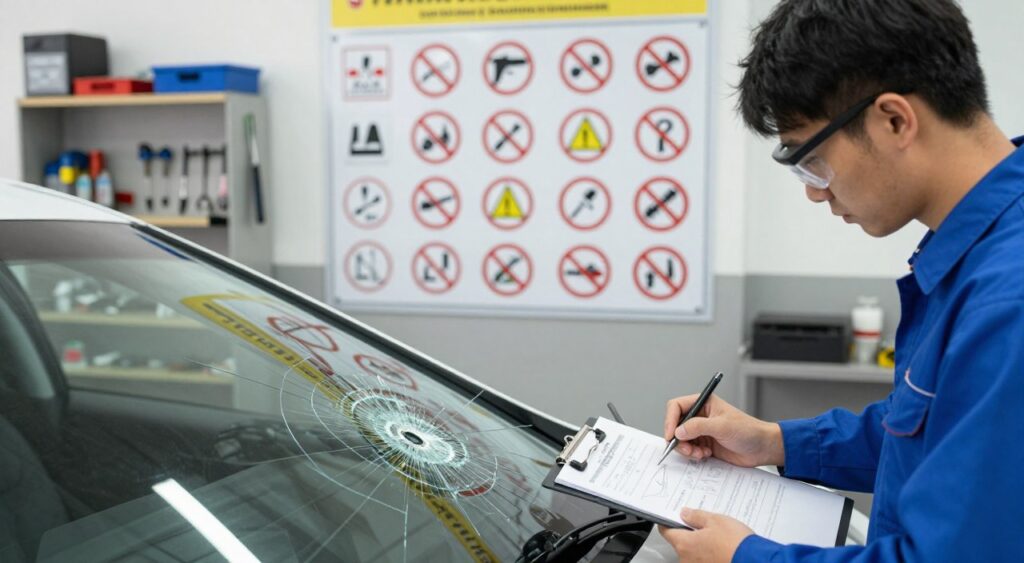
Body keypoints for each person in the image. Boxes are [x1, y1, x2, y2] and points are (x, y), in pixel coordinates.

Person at [658, 1, 1024, 561]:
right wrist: (773, 442)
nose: (814, 191)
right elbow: (930, 436)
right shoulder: (981, 253)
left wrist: (745, 557)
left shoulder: (1007, 299)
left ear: (893, 120)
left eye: (813, 161)